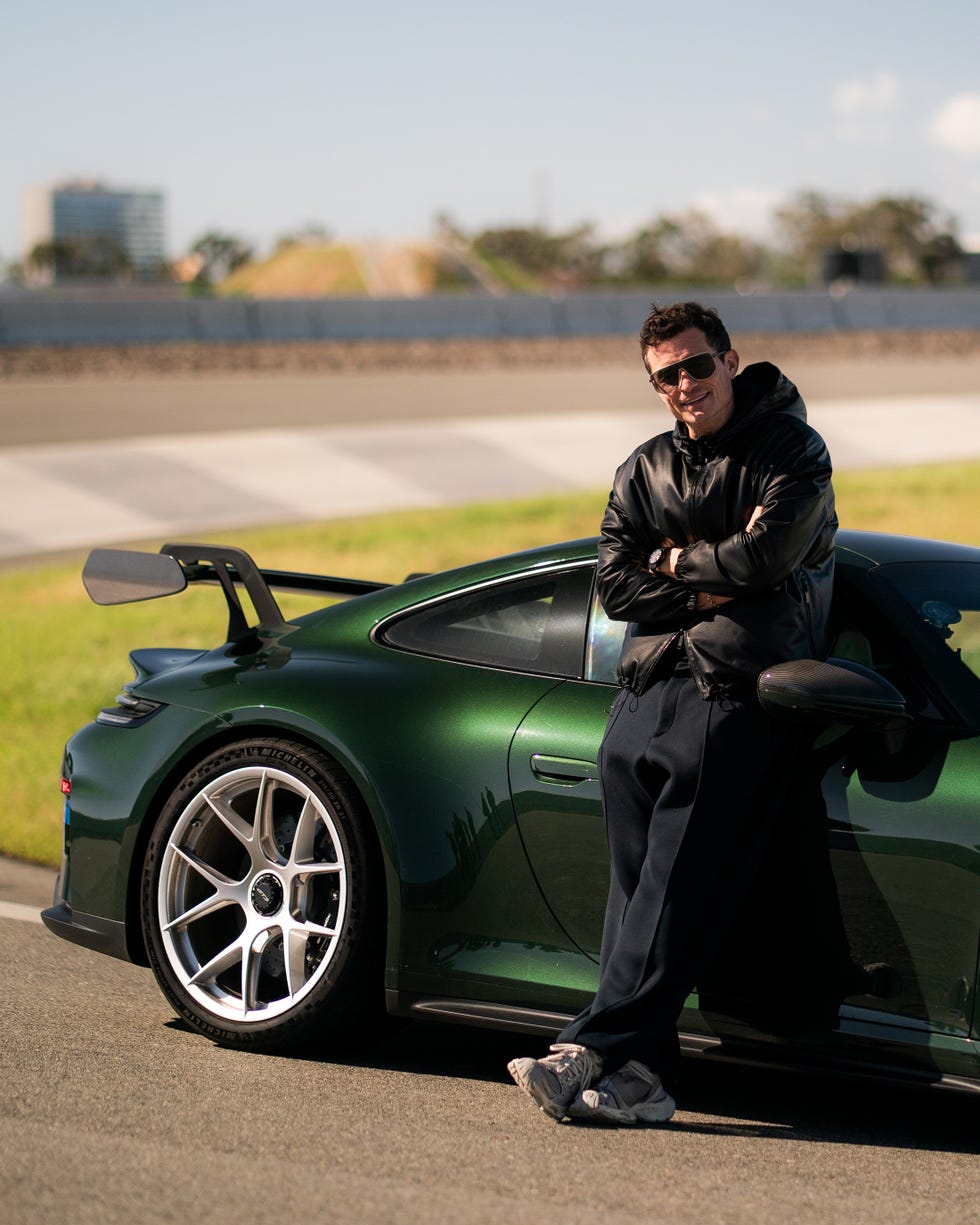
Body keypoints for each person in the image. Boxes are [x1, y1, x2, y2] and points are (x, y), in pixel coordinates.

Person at [508, 300, 838, 1125]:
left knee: (673, 888)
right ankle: (642, 1077)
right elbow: (614, 583)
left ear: (731, 359)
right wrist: (708, 573)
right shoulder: (644, 465)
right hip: (644, 688)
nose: (686, 384)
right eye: (667, 375)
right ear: (652, 384)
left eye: (698, 365)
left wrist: (670, 560)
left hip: (735, 688)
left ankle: (586, 1042)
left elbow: (769, 557)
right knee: (636, 893)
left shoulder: (790, 448)